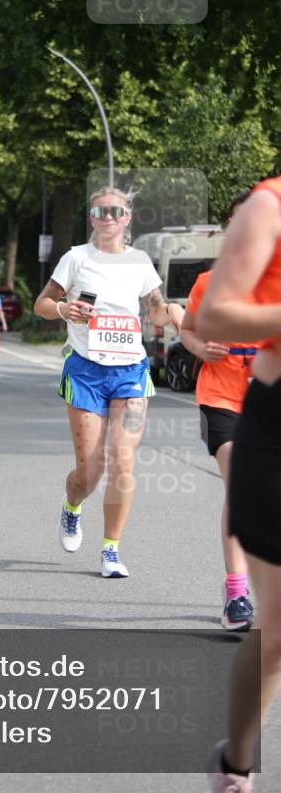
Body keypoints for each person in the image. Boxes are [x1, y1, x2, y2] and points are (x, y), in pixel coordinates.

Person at [33, 186, 184, 578]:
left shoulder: (139, 263)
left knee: (123, 461)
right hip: (85, 371)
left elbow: (156, 313)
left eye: (116, 211)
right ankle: (72, 506)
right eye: (100, 212)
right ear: (92, 218)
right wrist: (65, 308)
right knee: (89, 473)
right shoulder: (75, 259)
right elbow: (42, 304)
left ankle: (111, 549)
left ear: (127, 218)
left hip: (131, 373)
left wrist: (175, 310)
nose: (108, 217)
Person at [197, 176, 281, 793]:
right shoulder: (269, 205)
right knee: (278, 631)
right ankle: (236, 762)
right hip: (273, 424)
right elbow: (215, 310)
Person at [180, 191, 256, 632]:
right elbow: (187, 332)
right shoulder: (209, 283)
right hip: (221, 397)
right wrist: (199, 347)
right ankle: (237, 594)